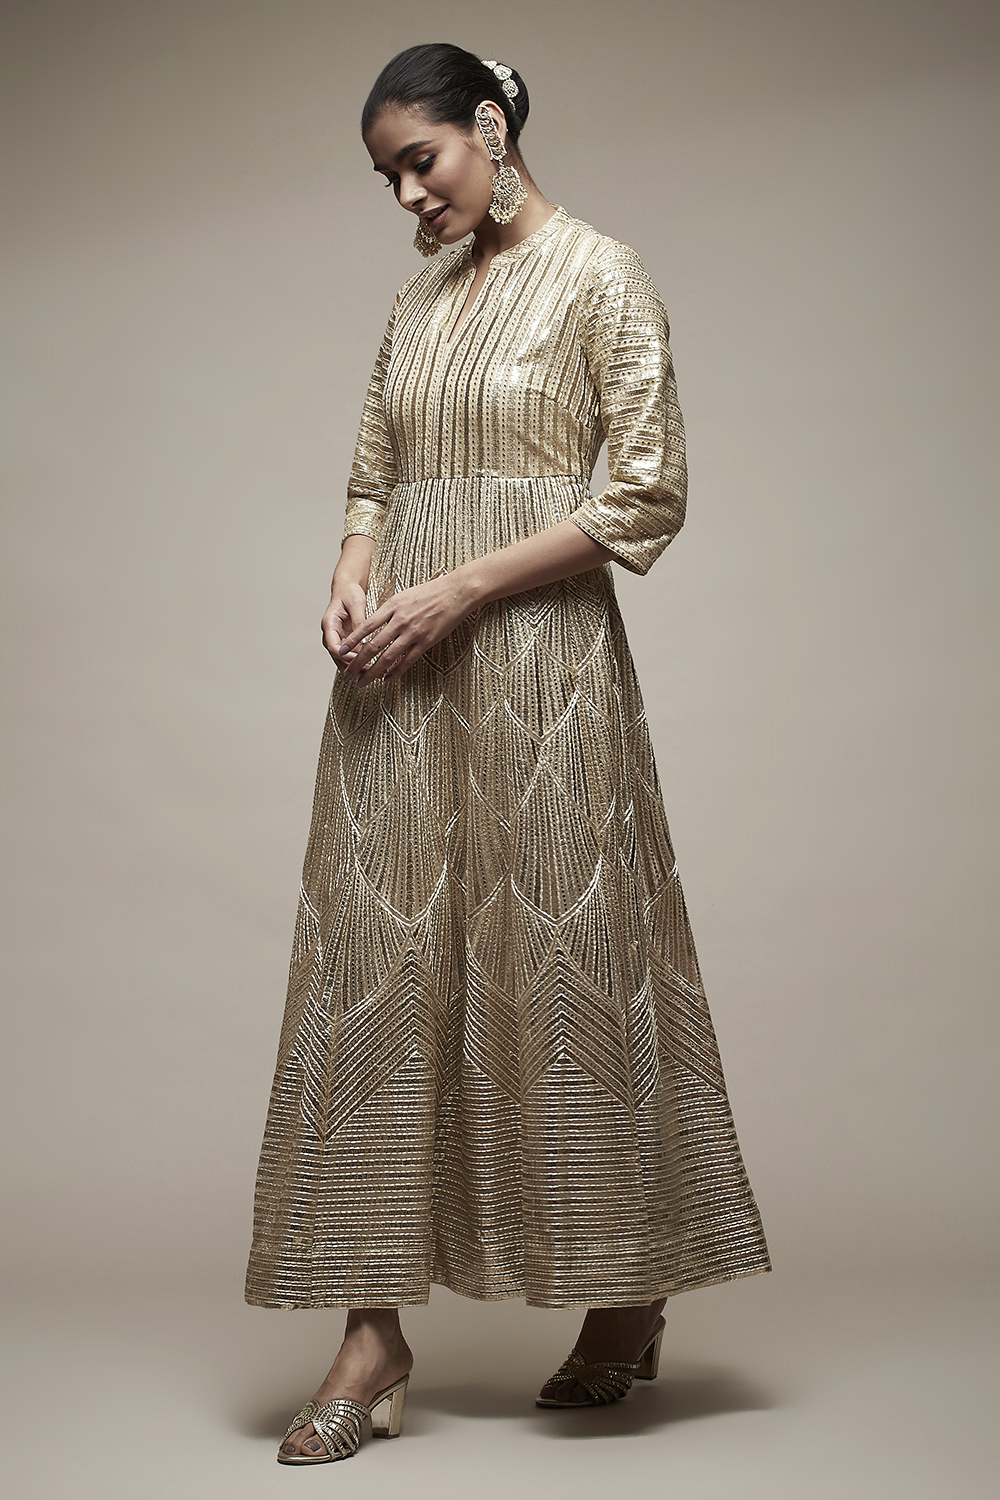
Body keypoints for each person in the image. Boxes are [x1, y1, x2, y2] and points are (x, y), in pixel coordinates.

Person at [244, 41, 771, 1466]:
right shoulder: (417, 304)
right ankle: (371, 1331)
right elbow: (375, 473)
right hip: (397, 673)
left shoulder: (602, 274)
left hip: (541, 664)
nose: (407, 197)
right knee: (373, 965)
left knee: (571, 955)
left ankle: (629, 1286)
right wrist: (353, 570)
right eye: (385, 177)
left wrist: (463, 587)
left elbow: (645, 492)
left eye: (420, 161)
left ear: (490, 126)